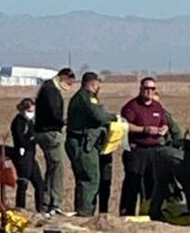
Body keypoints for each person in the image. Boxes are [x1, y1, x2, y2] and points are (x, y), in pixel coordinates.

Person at [65, 71, 118, 217]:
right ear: (94, 83)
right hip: (82, 144)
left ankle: (82, 210)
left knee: (84, 178)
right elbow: (99, 116)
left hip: (80, 142)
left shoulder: (80, 97)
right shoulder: (86, 97)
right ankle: (85, 213)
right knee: (90, 178)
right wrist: (113, 117)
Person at [118, 77, 170, 217]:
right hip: (137, 150)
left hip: (154, 151)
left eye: (152, 89)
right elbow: (125, 125)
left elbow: (164, 122)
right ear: (141, 89)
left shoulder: (158, 106)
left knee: (152, 183)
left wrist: (163, 129)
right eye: (146, 88)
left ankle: (148, 213)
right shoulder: (131, 106)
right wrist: (144, 129)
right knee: (132, 183)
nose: (149, 91)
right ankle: (126, 214)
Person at [34, 67, 75, 215]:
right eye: (70, 82)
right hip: (50, 133)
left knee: (52, 168)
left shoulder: (46, 87)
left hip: (43, 131)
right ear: (64, 77)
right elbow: (53, 111)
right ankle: (54, 203)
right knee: (57, 169)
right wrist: (62, 122)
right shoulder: (51, 90)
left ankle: (46, 203)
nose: (69, 87)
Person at [9, 98, 44, 212]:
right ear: (23, 110)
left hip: (31, 155)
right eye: (30, 111)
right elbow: (20, 140)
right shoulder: (18, 122)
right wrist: (33, 138)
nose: (32, 114)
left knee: (39, 184)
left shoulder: (31, 122)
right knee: (23, 182)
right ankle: (20, 208)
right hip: (23, 156)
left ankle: (41, 209)